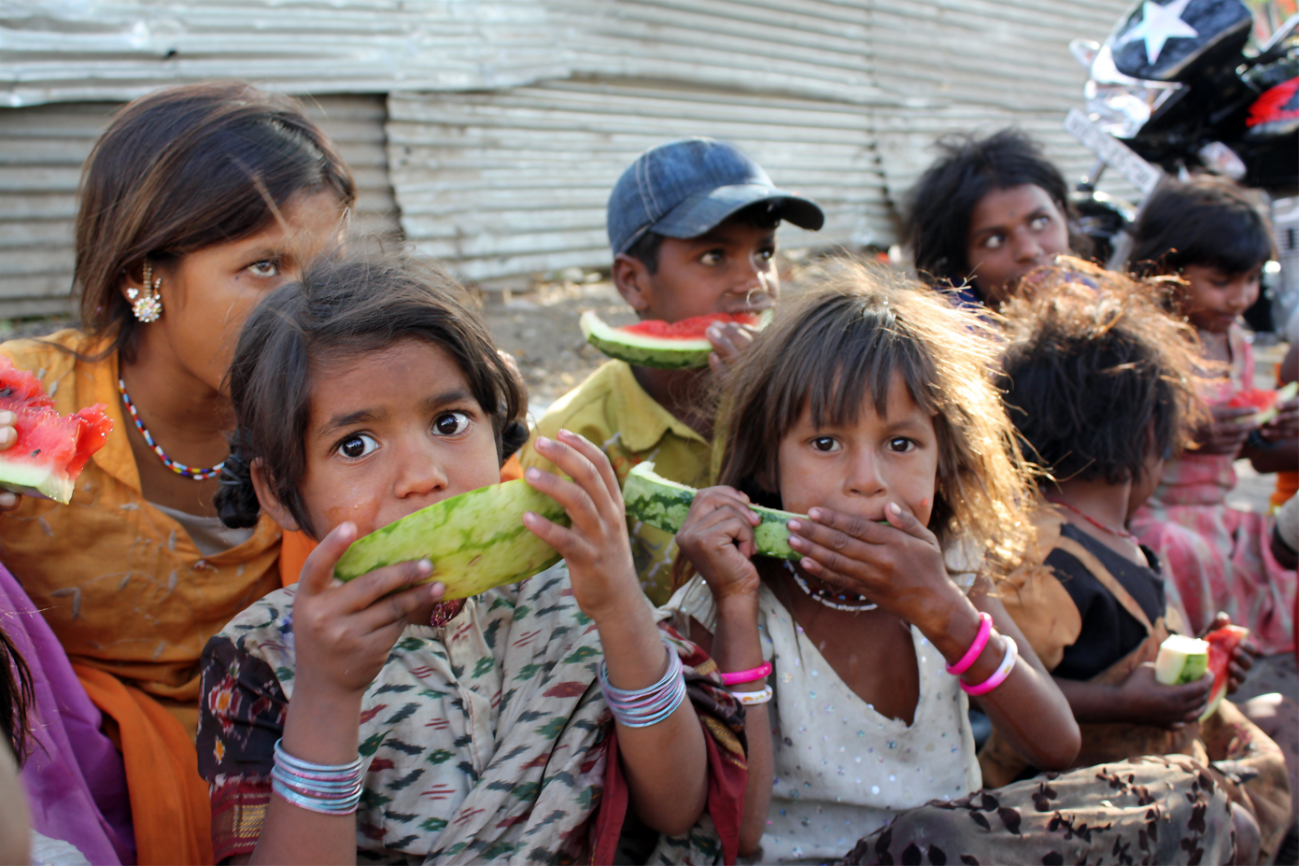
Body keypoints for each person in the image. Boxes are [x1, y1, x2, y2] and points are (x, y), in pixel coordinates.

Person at [198, 254, 748, 864]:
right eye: (356, 444)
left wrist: (621, 609)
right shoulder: (260, 656)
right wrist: (327, 697)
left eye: (449, 421)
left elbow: (675, 807)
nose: (423, 475)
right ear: (280, 490)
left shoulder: (571, 593)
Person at [0, 80, 355, 863]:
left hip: (284, 748)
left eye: (324, 269)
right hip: (63, 779)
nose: (311, 312)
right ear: (145, 281)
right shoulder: (33, 411)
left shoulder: (342, 413)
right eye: (263, 266)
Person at [665, 261, 1086, 863]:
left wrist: (941, 609)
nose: (867, 481)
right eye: (825, 443)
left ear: (942, 462)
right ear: (765, 464)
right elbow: (744, 832)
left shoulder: (953, 570)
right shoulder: (728, 599)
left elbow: (1056, 744)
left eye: (900, 443)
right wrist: (736, 608)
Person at [985, 263, 1292, 863]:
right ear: (1150, 431)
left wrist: (1204, 655)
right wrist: (1125, 704)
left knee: (1276, 737)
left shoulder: (1119, 538)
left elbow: (1124, 651)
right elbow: (1000, 690)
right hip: (1072, 806)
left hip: (1151, 775)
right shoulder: (1042, 558)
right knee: (1242, 816)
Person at [519, 138, 824, 604]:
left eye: (764, 253)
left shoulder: (811, 394)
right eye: (714, 257)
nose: (753, 282)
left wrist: (773, 410)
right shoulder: (573, 441)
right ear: (633, 282)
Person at [1126, 176, 1298, 655]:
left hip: (1217, 511)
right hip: (1155, 511)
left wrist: (1266, 430)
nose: (1239, 298)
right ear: (1165, 269)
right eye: (1220, 283)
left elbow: (1245, 446)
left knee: (1272, 552)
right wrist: (1178, 430)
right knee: (1182, 552)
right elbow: (1115, 440)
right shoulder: (1150, 345)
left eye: (1250, 281)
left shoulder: (1238, 344)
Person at [902, 128, 1080, 308]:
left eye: (1040, 222)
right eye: (995, 241)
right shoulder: (948, 331)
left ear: (1061, 214)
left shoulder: (1100, 303)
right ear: (960, 264)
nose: (1028, 250)